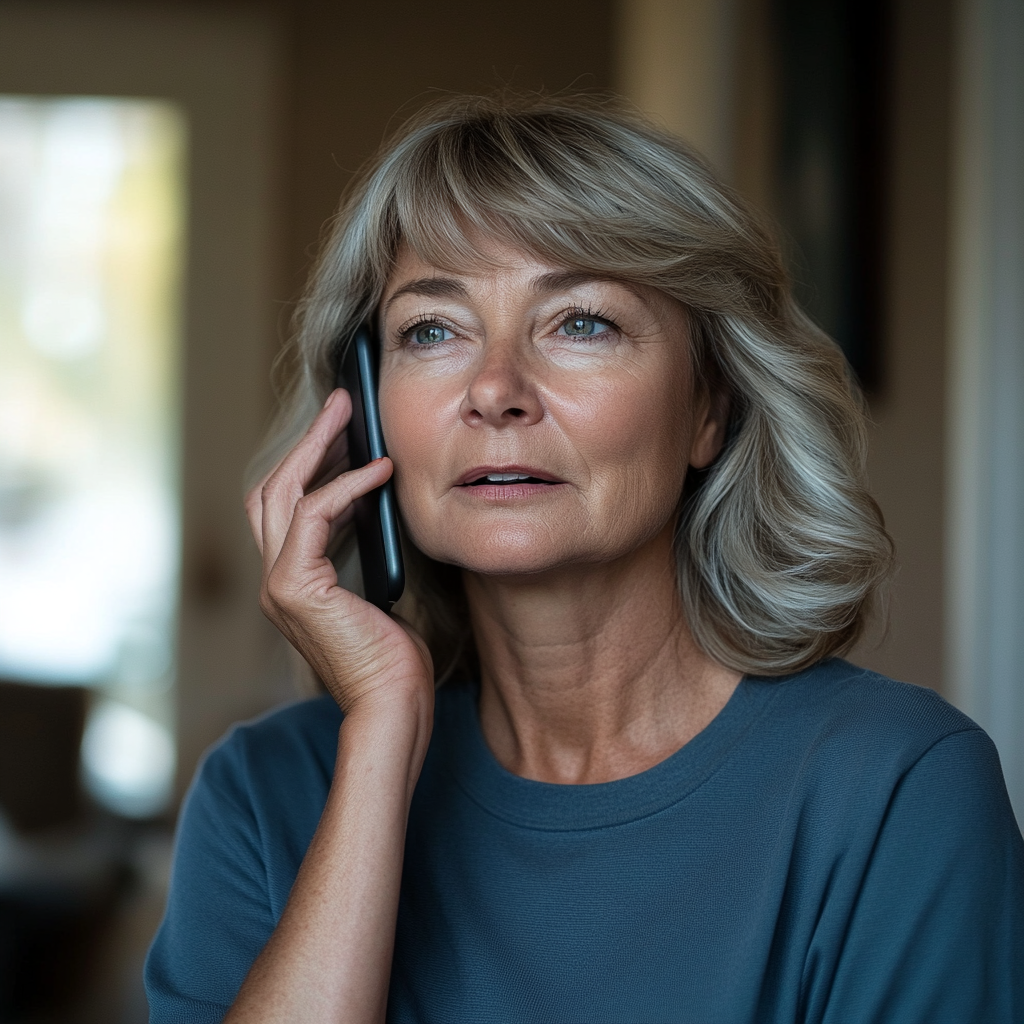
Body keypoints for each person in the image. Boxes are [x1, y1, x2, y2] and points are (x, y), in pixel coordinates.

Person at [145, 94, 1024, 1024]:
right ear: (363, 411)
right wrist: (380, 736)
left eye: (582, 322)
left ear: (708, 409)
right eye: (432, 331)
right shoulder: (262, 793)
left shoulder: (897, 789)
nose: (494, 390)